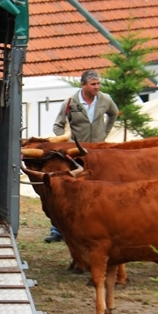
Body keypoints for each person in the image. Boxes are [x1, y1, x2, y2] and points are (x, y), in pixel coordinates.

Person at [44, 69, 119, 243]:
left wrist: (105, 133)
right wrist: (66, 142)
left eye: (98, 83)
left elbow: (114, 114)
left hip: (99, 151)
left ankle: (97, 224)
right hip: (77, 154)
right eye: (93, 84)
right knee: (70, 189)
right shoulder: (70, 103)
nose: (97, 87)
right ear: (83, 85)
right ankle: (58, 230)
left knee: (99, 186)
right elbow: (58, 125)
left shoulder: (105, 100)